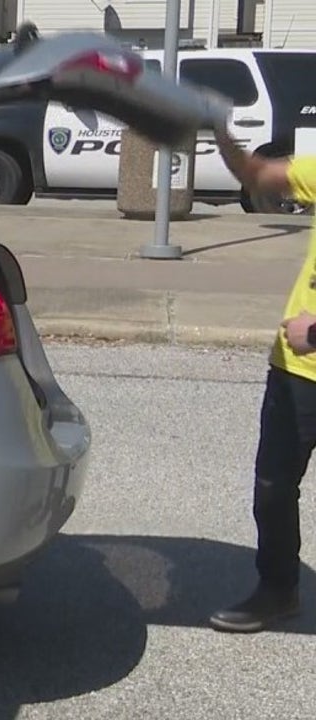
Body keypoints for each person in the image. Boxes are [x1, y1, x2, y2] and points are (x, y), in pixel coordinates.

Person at [208, 119, 316, 633]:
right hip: (295, 370)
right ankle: (277, 590)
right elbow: (255, 174)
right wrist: (216, 131)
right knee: (273, 488)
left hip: (306, 345)